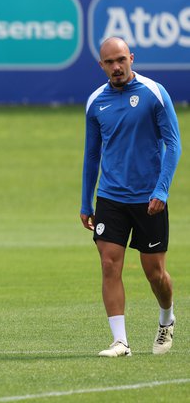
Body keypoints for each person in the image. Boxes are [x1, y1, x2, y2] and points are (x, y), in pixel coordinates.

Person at [81, 36, 181, 357]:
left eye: (121, 60)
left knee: (155, 273)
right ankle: (120, 341)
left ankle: (166, 317)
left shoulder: (154, 93)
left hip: (149, 198)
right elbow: (92, 155)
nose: (116, 67)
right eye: (109, 62)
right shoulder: (96, 102)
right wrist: (86, 201)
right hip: (110, 197)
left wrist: (162, 189)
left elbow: (173, 145)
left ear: (132, 58)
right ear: (101, 66)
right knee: (110, 264)